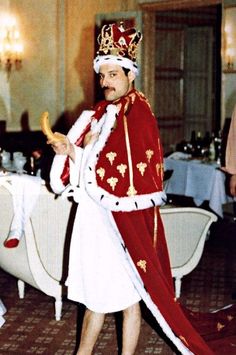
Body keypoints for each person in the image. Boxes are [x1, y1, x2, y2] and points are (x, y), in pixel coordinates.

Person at [48, 23, 235, 355]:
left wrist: (87, 155)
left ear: (129, 74)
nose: (105, 82)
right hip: (94, 218)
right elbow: (91, 166)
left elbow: (134, 172)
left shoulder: (139, 113)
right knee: (96, 295)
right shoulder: (101, 112)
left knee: (127, 296)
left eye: (112, 75)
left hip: (122, 222)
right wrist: (71, 150)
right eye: (102, 75)